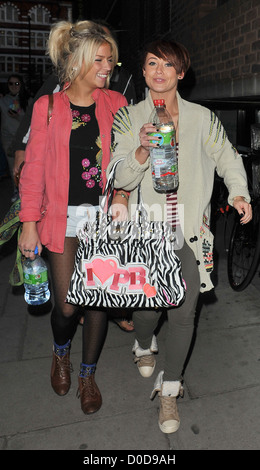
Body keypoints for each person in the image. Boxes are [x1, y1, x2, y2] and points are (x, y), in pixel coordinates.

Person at [107, 39, 252, 434]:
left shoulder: (202, 117)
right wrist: (139, 149)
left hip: (190, 231)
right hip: (145, 231)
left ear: (181, 73)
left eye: (168, 65)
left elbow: (227, 157)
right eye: (152, 62)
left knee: (184, 312)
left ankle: (169, 388)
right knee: (147, 311)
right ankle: (142, 342)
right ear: (143, 70)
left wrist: (239, 191)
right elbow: (117, 175)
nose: (159, 71)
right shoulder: (128, 117)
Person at [18, 20, 128, 415]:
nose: (107, 66)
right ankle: (60, 352)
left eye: (110, 60)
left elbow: (125, 162)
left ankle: (87, 374)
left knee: (96, 300)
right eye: (98, 59)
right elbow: (32, 170)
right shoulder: (48, 107)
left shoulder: (116, 103)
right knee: (66, 305)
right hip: (60, 218)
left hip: (103, 218)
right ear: (77, 60)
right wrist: (28, 223)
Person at [0, 74, 29, 200]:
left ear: (21, 85)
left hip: (24, 139)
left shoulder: (28, 100)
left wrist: (17, 116)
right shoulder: (3, 100)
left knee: (24, 166)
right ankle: (16, 190)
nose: (13, 86)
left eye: (16, 83)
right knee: (13, 166)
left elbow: (31, 120)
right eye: (11, 84)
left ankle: (25, 190)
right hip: (7, 138)